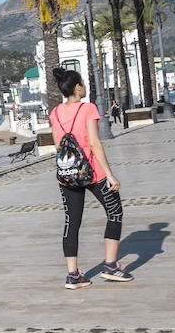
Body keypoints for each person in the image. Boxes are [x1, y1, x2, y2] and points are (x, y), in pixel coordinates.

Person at [49, 67, 132, 289]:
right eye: (83, 83)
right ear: (77, 87)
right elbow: (95, 143)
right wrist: (111, 175)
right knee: (114, 212)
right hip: (93, 172)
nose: (84, 86)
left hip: (67, 174)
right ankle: (112, 266)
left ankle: (73, 275)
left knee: (71, 222)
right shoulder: (88, 109)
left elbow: (59, 147)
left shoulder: (55, 113)